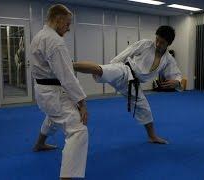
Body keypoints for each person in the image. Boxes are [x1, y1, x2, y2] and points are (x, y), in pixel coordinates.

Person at [73, 26, 182, 144]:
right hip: (125, 71)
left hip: (133, 84)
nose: (158, 43)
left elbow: (176, 74)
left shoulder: (168, 59)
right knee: (100, 70)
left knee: (145, 109)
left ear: (168, 44)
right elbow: (128, 51)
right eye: (157, 39)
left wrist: (177, 81)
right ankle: (69, 65)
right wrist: (113, 66)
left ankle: (152, 136)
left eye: (162, 42)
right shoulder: (146, 44)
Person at [30, 4, 88, 179]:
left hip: (43, 91)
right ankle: (67, 176)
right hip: (53, 92)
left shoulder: (40, 36)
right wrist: (82, 103)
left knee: (54, 117)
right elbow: (67, 77)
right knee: (78, 130)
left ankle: (39, 144)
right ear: (58, 19)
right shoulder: (55, 41)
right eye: (67, 24)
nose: (68, 28)